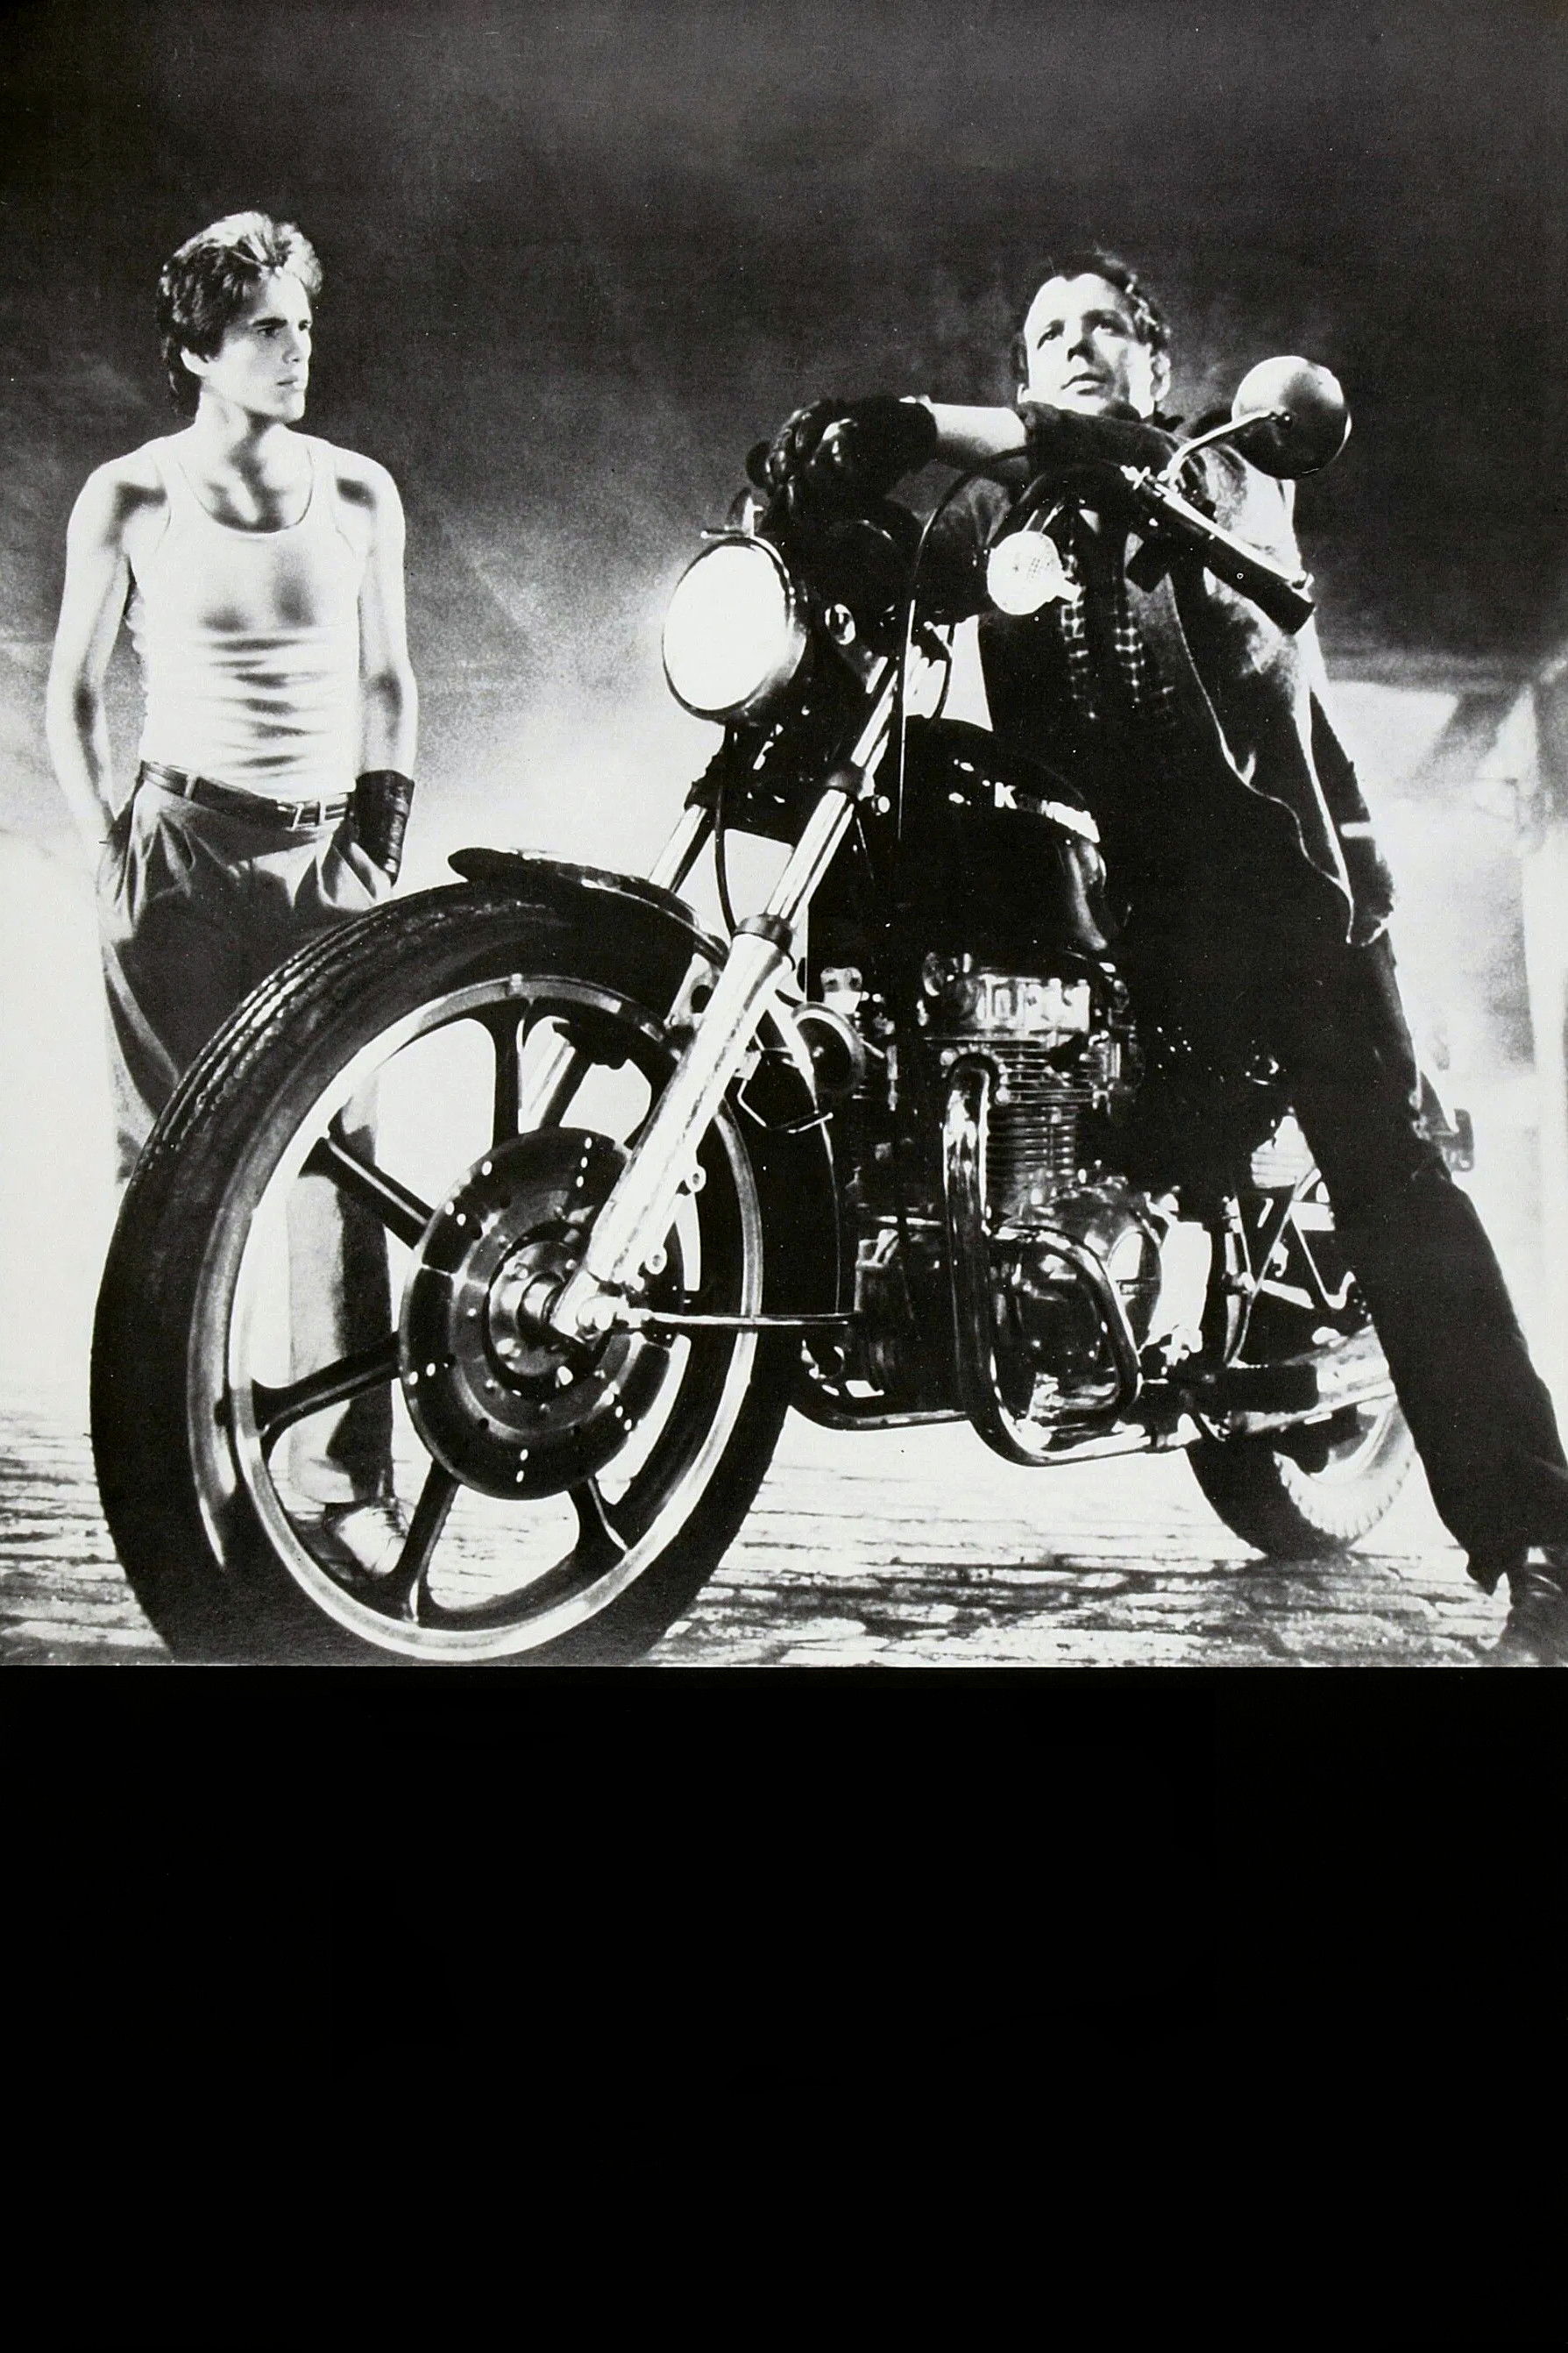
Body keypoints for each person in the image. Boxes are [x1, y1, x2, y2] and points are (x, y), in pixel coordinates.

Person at [763, 249, 1568, 1665]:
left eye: (1101, 326)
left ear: (1152, 361)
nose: (1074, 344)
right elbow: (895, 576)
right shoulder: (1005, 517)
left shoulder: (1219, 466)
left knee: (1388, 1178)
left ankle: (1541, 1542)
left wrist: (917, 419)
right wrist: (799, 496)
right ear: (1023, 371)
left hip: (1277, 891)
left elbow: (1127, 465)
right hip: (1113, 916)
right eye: (1046, 332)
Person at [46, 210, 419, 1577]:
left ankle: (345, 1482)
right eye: (266, 329)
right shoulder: (130, 494)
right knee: (168, 1175)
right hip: (181, 848)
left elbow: (389, 679)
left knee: (343, 1171)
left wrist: (380, 835)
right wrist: (111, 846)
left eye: (302, 326)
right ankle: (176, 1468)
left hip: (326, 857)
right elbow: (72, 694)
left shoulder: (360, 491)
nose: (295, 350)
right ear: (199, 349)